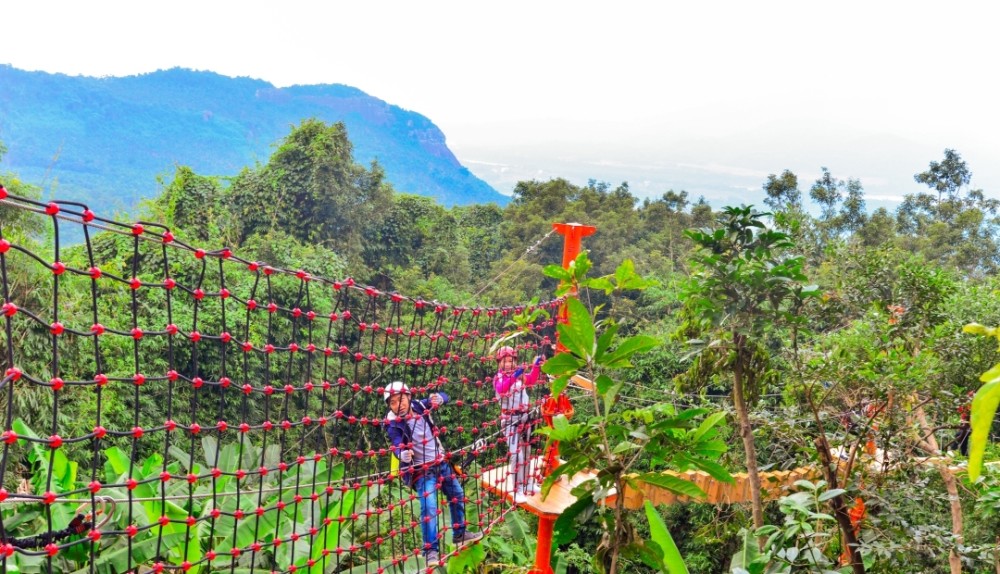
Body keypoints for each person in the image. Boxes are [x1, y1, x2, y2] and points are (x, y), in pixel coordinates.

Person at [384, 381, 483, 566]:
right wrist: (401, 454)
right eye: (394, 402)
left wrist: (440, 399)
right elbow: (396, 442)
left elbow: (443, 396)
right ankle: (430, 551)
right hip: (422, 471)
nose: (399, 404)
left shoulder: (419, 405)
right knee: (429, 507)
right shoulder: (393, 423)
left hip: (441, 462)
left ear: (409, 396)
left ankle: (460, 534)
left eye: (401, 399)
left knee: (457, 495)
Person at [493, 346, 543, 504]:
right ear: (500, 363)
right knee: (516, 455)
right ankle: (517, 490)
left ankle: (528, 483)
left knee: (527, 453)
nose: (508, 364)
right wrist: (517, 373)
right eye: (505, 361)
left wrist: (536, 365)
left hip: (524, 420)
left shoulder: (520, 378)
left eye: (511, 361)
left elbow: (532, 379)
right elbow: (502, 389)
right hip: (510, 422)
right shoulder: (499, 378)